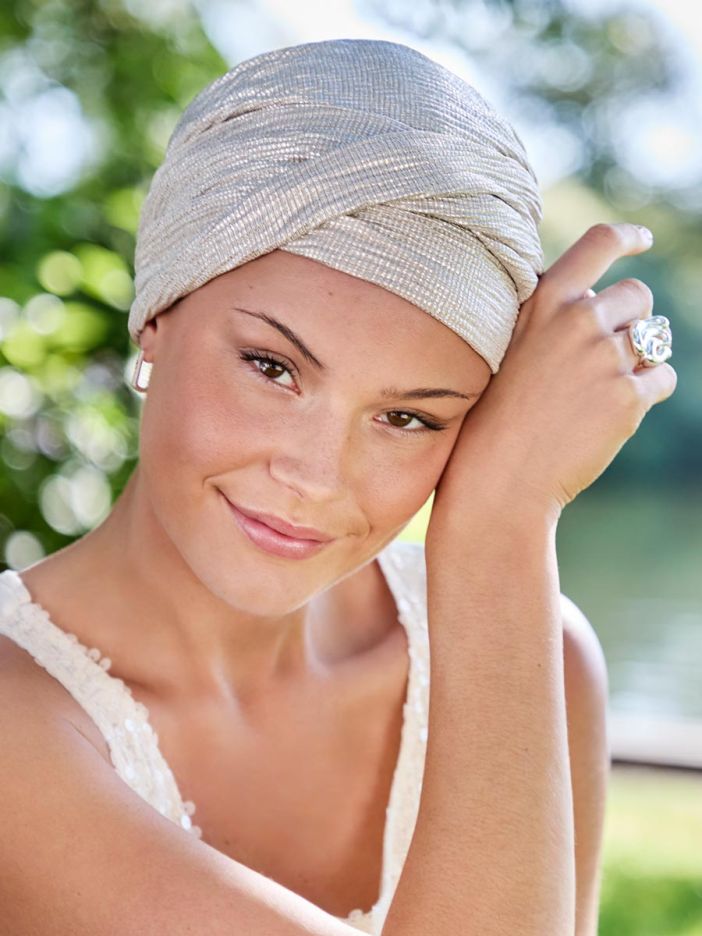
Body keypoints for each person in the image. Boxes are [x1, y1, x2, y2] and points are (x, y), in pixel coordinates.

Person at [0, 38, 675, 936]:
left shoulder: (541, 654)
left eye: (407, 418)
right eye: (271, 367)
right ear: (157, 313)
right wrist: (497, 535)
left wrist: (501, 528)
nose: (314, 479)